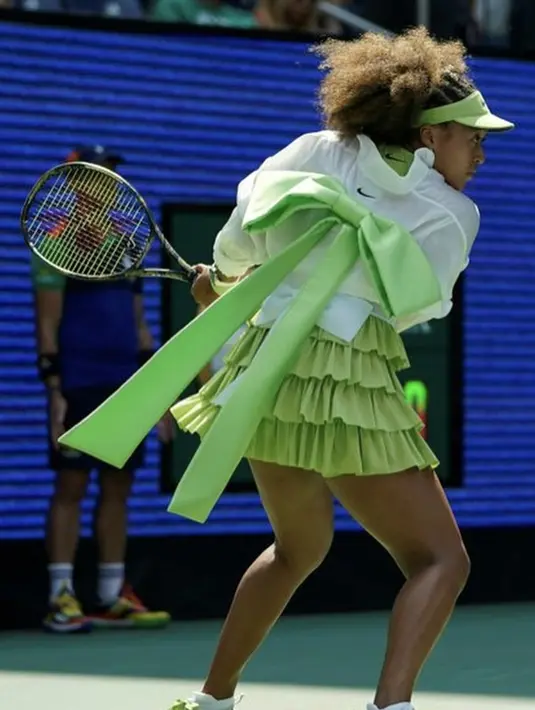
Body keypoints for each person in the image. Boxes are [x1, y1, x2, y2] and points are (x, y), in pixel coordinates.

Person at [166, 27, 513, 710]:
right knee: (442, 560)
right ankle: (390, 706)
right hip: (344, 378)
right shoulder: (453, 215)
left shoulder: (315, 150)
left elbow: (240, 239)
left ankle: (212, 701)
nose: (479, 150)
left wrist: (222, 286)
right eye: (469, 136)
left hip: (263, 375)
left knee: (298, 548)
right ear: (425, 136)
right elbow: (414, 309)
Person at [33, 145, 174, 633]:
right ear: (72, 184)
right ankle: (61, 596)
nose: (103, 185)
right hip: (78, 380)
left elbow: (138, 326)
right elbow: (47, 324)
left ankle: (112, 596)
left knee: (119, 486)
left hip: (124, 383)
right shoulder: (51, 238)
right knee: (71, 485)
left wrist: (154, 393)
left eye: (109, 177)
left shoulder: (126, 241)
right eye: (92, 177)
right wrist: (55, 392)